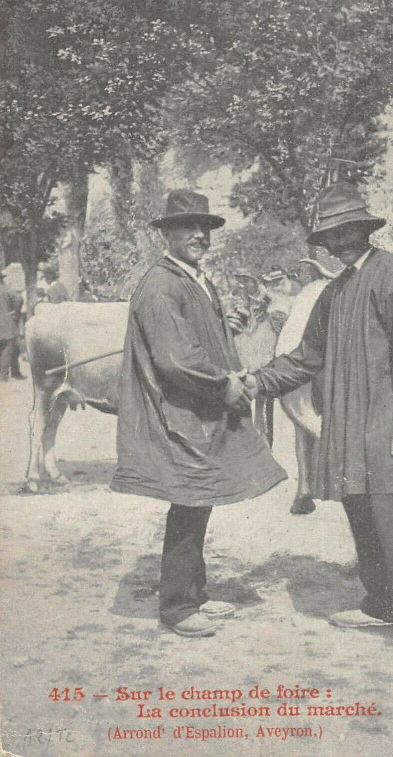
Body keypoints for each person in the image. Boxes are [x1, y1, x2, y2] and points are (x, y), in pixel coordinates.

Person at [244, 182, 393, 658]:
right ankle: (379, 602)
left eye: (351, 229)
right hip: (349, 424)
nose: (342, 240)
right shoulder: (334, 292)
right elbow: (306, 356)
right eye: (334, 234)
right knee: (360, 512)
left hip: (390, 423)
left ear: (364, 230)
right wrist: (257, 382)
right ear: (326, 243)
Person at [110, 189, 286, 638]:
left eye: (203, 228)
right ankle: (177, 606)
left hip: (199, 408)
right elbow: (176, 358)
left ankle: (195, 593)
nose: (197, 235)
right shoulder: (160, 284)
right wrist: (224, 383)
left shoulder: (195, 279)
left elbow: (200, 342)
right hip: (180, 411)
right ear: (165, 234)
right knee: (189, 501)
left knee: (199, 500)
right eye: (186, 227)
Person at [0, 271, 23, 382]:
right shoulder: (5, 289)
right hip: (5, 323)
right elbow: (18, 298)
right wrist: (15, 312)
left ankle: (12, 373)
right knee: (7, 349)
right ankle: (4, 376)